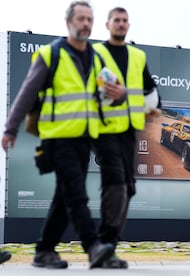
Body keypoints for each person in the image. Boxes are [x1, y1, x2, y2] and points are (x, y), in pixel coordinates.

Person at [1, 0, 114, 269]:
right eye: (81, 19)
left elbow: (105, 98)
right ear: (69, 23)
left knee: (64, 198)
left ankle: (44, 250)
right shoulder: (50, 54)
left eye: (90, 19)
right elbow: (27, 93)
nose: (86, 23)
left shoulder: (97, 59)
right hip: (57, 138)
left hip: (84, 140)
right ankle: (93, 245)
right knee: (75, 193)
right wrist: (10, 128)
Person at [92, 7, 160, 269]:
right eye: (116, 20)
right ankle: (105, 245)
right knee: (116, 183)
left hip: (129, 130)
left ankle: (107, 247)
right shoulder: (96, 54)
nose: (121, 24)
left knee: (128, 187)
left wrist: (153, 104)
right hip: (105, 128)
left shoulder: (137, 56)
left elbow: (150, 91)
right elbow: (92, 89)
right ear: (107, 24)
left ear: (128, 25)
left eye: (124, 21)